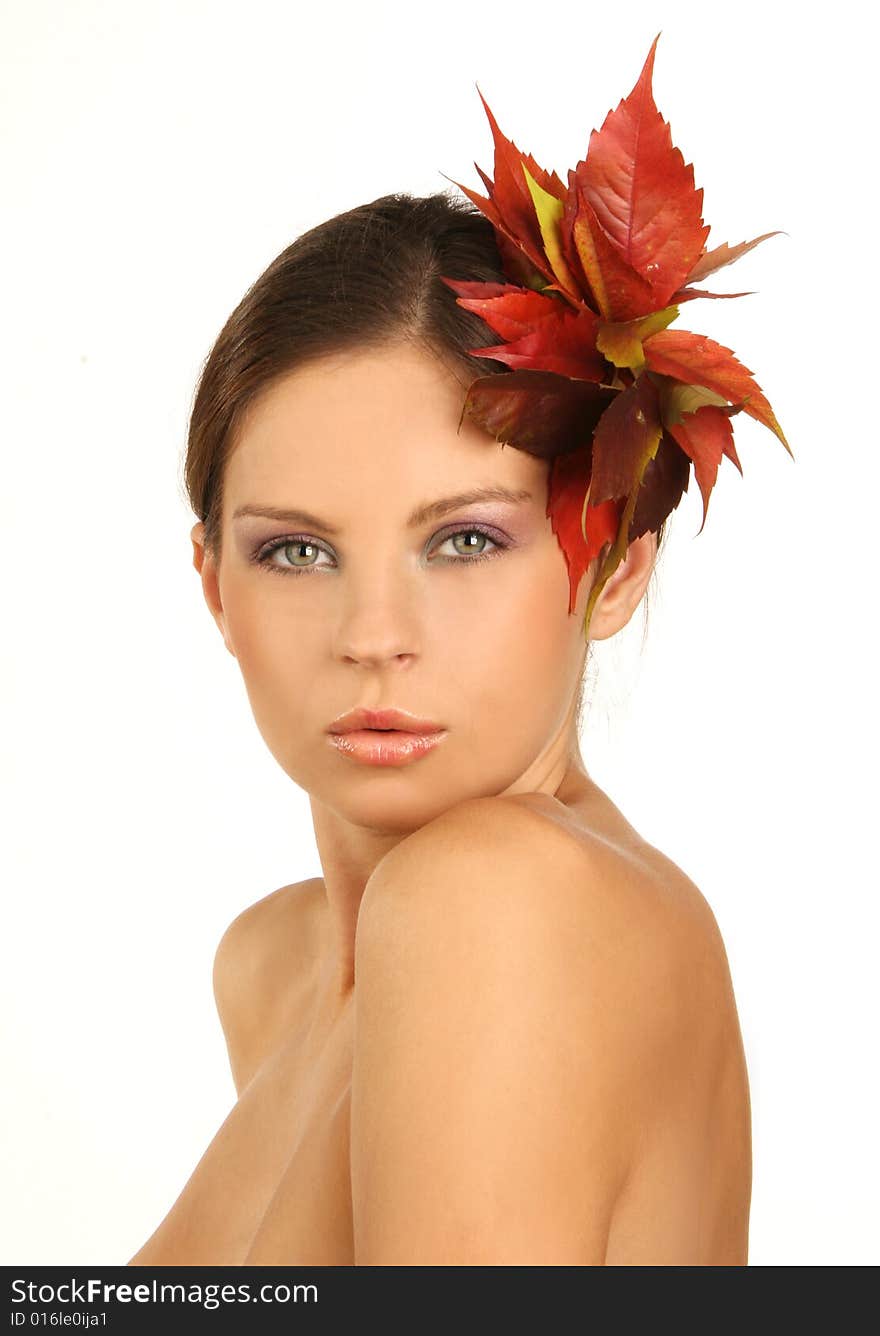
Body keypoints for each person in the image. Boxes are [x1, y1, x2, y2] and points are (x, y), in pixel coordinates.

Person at [128, 39, 776, 1263]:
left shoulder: (492, 896)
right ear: (214, 585)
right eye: (299, 553)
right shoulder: (275, 965)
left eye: (466, 539)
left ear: (616, 563)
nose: (375, 637)